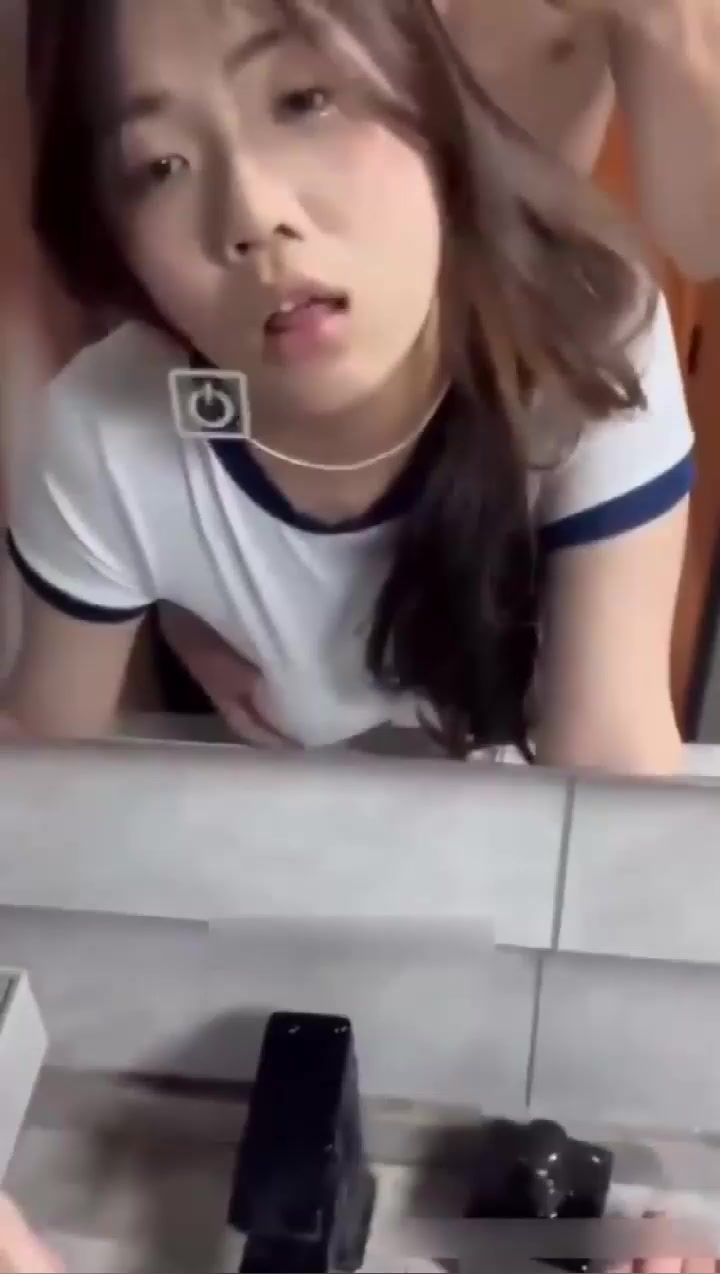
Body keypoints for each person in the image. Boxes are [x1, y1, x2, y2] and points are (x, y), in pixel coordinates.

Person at [1, 0, 694, 769]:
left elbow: (611, 750)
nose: (254, 215)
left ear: (427, 90)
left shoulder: (587, 344)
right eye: (159, 167)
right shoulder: (107, 431)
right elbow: (45, 760)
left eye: (305, 101)